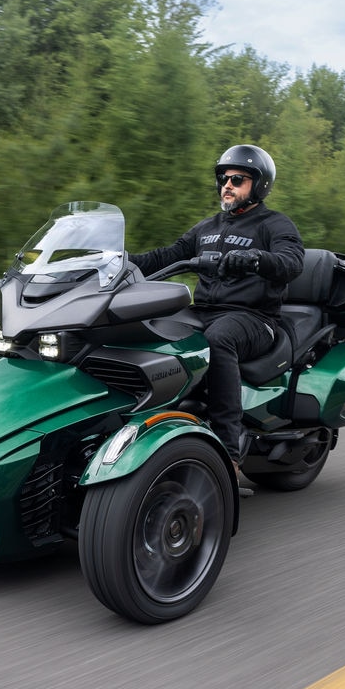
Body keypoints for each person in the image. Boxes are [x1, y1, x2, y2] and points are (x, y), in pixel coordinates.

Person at [129, 144, 304, 496]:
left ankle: (229, 455)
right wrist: (118, 261)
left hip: (254, 318)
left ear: (259, 185)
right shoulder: (207, 227)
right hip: (203, 312)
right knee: (150, 332)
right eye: (223, 178)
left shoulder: (274, 224)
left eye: (237, 179)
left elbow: (292, 261)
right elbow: (167, 256)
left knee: (218, 340)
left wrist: (256, 258)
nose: (227, 185)